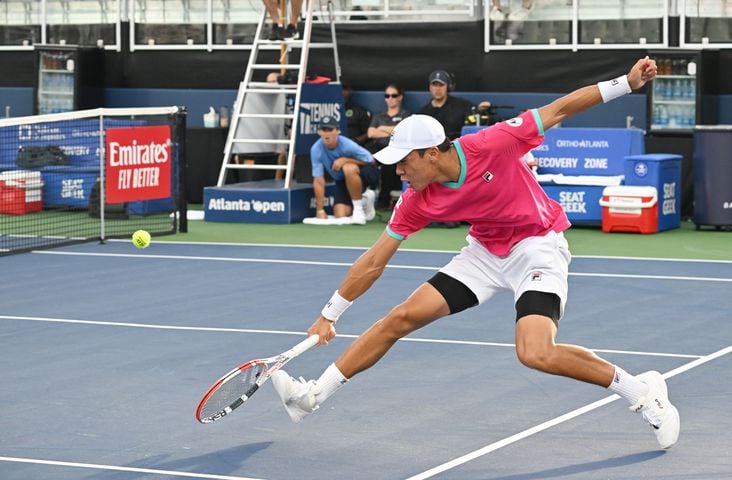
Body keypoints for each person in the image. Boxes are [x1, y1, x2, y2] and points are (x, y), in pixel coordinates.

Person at [271, 57, 681, 451]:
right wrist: (330, 315)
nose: (398, 171)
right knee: (399, 318)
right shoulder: (416, 198)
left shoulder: (493, 143)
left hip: (537, 246)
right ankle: (312, 397)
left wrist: (626, 84)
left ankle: (642, 391)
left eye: (404, 162)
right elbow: (376, 259)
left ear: (432, 153)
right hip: (484, 253)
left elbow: (558, 109)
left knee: (535, 352)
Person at [310, 115, 378, 224]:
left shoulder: (348, 145)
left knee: (348, 167)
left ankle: (358, 210)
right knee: (340, 214)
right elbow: (318, 180)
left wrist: (346, 160)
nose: (327, 133)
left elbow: (371, 160)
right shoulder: (316, 149)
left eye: (330, 129)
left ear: (337, 131)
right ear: (319, 132)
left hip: (366, 175)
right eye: (323, 130)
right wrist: (320, 210)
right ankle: (365, 200)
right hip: (342, 180)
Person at [367, 83, 411, 208]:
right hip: (377, 147)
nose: (390, 98)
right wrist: (392, 130)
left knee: (390, 163)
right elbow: (371, 133)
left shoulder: (406, 115)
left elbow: (403, 131)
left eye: (394, 95)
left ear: (400, 97)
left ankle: (383, 199)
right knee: (364, 159)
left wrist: (381, 128)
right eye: (387, 95)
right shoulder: (378, 115)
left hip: (395, 149)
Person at [419, 70, 489, 140]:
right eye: (434, 85)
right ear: (430, 87)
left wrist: (483, 110)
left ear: (448, 87)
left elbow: (480, 114)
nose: (437, 89)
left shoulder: (461, 105)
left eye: (441, 85)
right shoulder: (423, 113)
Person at [342, 82, 371, 147]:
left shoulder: (359, 111)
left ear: (350, 91)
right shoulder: (328, 110)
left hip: (354, 148)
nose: (342, 92)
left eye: (345, 89)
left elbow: (368, 134)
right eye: (339, 89)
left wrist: (355, 141)